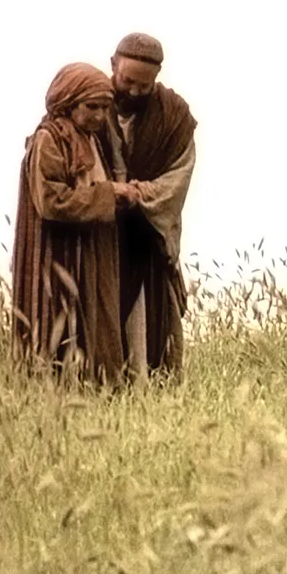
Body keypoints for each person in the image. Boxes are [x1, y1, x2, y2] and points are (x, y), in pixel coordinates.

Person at [9, 62, 143, 387]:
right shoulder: (49, 140)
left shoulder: (91, 140)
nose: (100, 115)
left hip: (92, 254)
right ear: (68, 103)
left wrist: (124, 195)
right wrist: (110, 194)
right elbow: (52, 201)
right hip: (57, 257)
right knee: (56, 328)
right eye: (91, 106)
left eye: (104, 107)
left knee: (95, 328)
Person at [105, 32, 198, 382]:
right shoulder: (91, 102)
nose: (134, 91)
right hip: (102, 238)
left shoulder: (173, 116)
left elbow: (177, 177)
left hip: (148, 239)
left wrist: (135, 194)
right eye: (127, 81)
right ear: (113, 66)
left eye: (144, 86)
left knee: (152, 329)